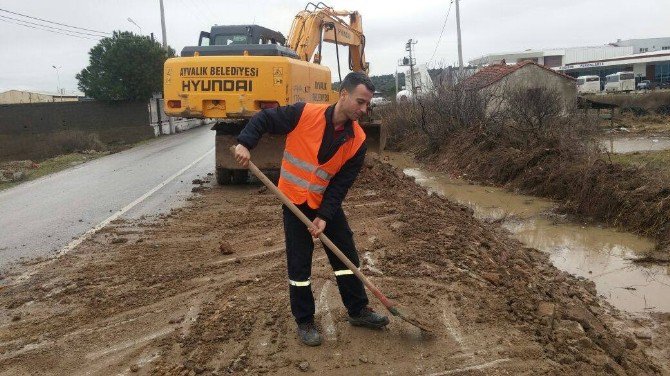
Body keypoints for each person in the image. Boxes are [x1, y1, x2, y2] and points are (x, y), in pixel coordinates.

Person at [233, 72, 389, 346]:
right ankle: (305, 321)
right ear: (343, 95)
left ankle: (358, 310)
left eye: (367, 104)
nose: (364, 109)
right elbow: (265, 118)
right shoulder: (304, 113)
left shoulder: (358, 140)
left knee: (346, 256)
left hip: (323, 203)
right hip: (293, 200)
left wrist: (324, 217)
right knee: (299, 264)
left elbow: (340, 184)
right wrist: (246, 143)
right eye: (360, 102)